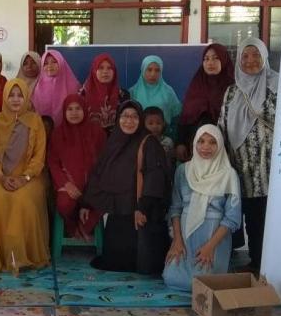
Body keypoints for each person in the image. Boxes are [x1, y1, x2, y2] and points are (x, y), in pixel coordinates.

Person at [0, 79, 49, 274]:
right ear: (5, 97)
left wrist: (24, 178)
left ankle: (21, 257)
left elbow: (39, 158)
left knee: (22, 201)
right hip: (0, 177)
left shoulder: (35, 121)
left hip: (30, 178)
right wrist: (1, 177)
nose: (15, 99)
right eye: (11, 95)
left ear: (26, 98)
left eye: (20, 95)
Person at [218, 37, 278, 272]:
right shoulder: (232, 91)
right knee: (249, 216)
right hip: (240, 165)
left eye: (255, 55)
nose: (250, 60)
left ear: (264, 57)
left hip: (269, 167)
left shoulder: (278, 86)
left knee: (266, 217)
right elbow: (222, 124)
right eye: (245, 56)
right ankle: (255, 262)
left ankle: (267, 264)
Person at [162, 125, 241, 291]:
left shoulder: (228, 174)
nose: (206, 147)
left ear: (220, 145)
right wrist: (176, 240)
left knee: (203, 283)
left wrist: (210, 247)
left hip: (213, 237)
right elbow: (175, 208)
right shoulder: (183, 170)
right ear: (194, 143)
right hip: (184, 236)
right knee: (172, 279)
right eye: (201, 141)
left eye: (212, 142)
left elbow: (232, 218)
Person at [80, 100, 146, 273]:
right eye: (125, 116)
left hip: (137, 209)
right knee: (114, 255)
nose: (129, 121)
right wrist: (86, 203)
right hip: (115, 208)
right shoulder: (113, 143)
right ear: (118, 119)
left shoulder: (146, 144)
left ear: (141, 120)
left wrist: (142, 206)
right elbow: (98, 172)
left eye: (134, 117)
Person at [48, 94, 106, 239]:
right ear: (64, 112)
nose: (74, 113)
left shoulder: (97, 132)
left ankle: (84, 228)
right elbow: (53, 163)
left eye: (78, 108)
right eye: (70, 109)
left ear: (85, 109)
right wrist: (65, 184)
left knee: (106, 198)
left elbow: (104, 161)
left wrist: (94, 186)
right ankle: (73, 227)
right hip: (70, 185)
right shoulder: (57, 134)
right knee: (65, 204)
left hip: (94, 185)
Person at [176, 44, 234, 162]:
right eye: (206, 59)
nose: (210, 63)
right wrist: (180, 143)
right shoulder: (197, 84)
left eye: (215, 58)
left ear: (224, 60)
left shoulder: (233, 87)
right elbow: (186, 116)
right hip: (195, 147)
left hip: (226, 148)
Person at [135, 117, 173, 275]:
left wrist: (141, 207)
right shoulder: (146, 141)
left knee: (149, 244)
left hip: (149, 202)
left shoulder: (149, 142)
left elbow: (153, 176)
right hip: (151, 201)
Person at [129, 55, 181, 140]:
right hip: (138, 137)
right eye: (149, 70)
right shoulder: (133, 92)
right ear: (143, 70)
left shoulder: (168, 91)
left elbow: (176, 117)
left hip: (164, 137)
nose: (153, 74)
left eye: (157, 70)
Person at [30, 49, 81, 126]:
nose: (50, 66)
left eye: (54, 62)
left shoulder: (73, 86)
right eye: (45, 63)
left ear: (61, 62)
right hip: (43, 129)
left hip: (68, 128)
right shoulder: (37, 88)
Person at [79, 52, 128, 131]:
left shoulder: (123, 95)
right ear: (94, 71)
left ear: (114, 71)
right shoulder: (82, 94)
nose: (105, 71)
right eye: (101, 68)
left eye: (109, 68)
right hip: (90, 136)